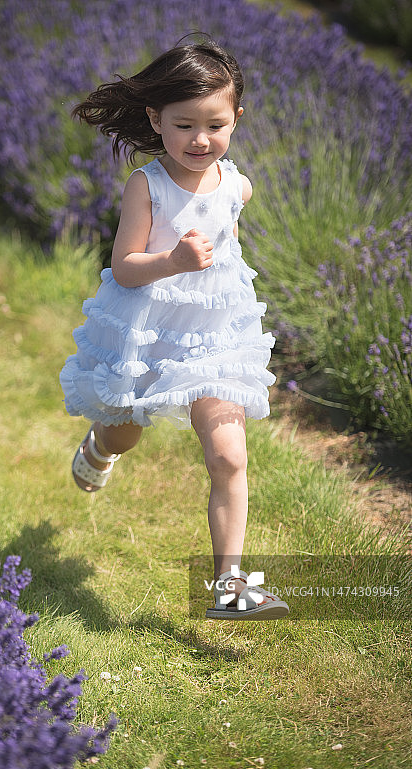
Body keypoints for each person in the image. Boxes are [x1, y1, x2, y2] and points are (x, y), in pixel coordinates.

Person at [60, 36, 289, 620]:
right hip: (148, 333)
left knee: (229, 456)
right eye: (184, 125)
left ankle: (230, 587)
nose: (200, 139)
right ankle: (100, 447)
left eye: (215, 125)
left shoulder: (236, 186)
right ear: (155, 119)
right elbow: (124, 266)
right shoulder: (148, 186)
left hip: (214, 339)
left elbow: (227, 248)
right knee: (124, 434)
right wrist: (174, 261)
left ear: (237, 119)